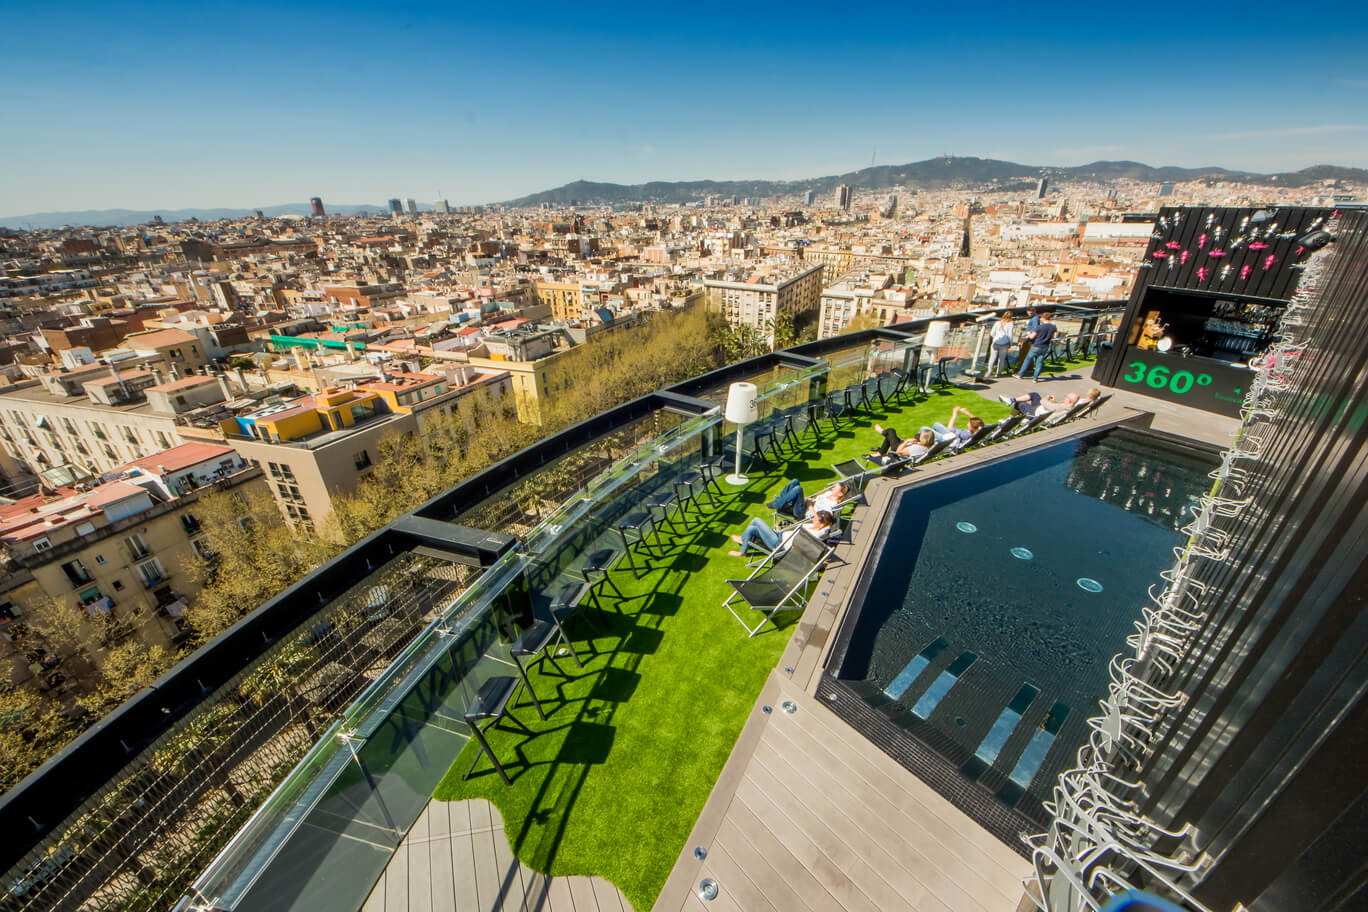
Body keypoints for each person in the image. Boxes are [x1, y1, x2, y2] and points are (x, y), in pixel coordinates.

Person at [730, 509, 835, 557]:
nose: (813, 520)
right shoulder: (813, 526)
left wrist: (825, 527)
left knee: (756, 520)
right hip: (780, 535)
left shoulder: (816, 534)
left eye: (816, 520)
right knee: (752, 527)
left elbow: (824, 531)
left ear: (822, 525)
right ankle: (744, 539)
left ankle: (742, 552)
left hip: (778, 544)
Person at [768, 479, 850, 521]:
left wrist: (810, 506)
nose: (832, 487)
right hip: (804, 505)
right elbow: (817, 500)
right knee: (795, 481)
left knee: (798, 489)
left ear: (840, 494)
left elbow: (819, 518)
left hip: (803, 514)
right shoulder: (828, 493)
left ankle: (777, 503)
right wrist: (809, 500)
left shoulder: (832, 505)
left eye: (835, 487)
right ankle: (779, 502)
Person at [1000, 387, 1099, 418]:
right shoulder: (1068, 407)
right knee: (1035, 395)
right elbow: (1055, 406)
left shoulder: (1062, 408)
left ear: (1069, 400)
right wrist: (1055, 402)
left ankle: (1008, 420)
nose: (1064, 398)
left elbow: (1043, 401)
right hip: (1045, 409)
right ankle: (1011, 400)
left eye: (1066, 397)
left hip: (1037, 413)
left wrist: (1048, 397)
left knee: (1020, 404)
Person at [1018, 310, 1058, 382]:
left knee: (1027, 360)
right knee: (1039, 362)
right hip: (1045, 346)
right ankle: (1035, 378)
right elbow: (1055, 336)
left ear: (1043, 318)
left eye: (1041, 318)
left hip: (1036, 345)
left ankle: (1020, 374)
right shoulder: (1053, 327)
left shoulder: (1039, 327)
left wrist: (1028, 332)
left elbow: (1032, 337)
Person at [869, 426, 935, 463]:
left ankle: (883, 432)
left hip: (897, 453)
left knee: (891, 431)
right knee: (891, 437)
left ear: (924, 440)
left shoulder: (917, 449)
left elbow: (899, 451)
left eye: (920, 436)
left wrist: (906, 442)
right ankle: (880, 452)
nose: (919, 435)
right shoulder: (927, 446)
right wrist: (905, 441)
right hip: (902, 447)